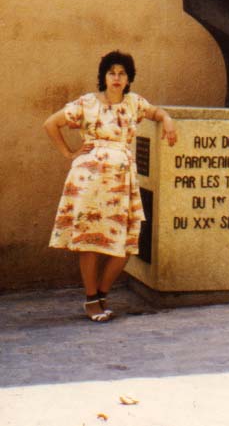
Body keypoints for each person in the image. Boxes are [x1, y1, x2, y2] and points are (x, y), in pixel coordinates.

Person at [44, 50, 177, 322]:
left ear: (129, 79)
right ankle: (92, 299)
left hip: (122, 180)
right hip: (89, 180)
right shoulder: (87, 103)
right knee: (90, 240)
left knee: (127, 242)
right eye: (111, 73)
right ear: (103, 76)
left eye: (122, 73)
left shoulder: (133, 104)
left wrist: (167, 120)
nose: (117, 78)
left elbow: (156, 112)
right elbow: (51, 124)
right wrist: (70, 153)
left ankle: (102, 293)